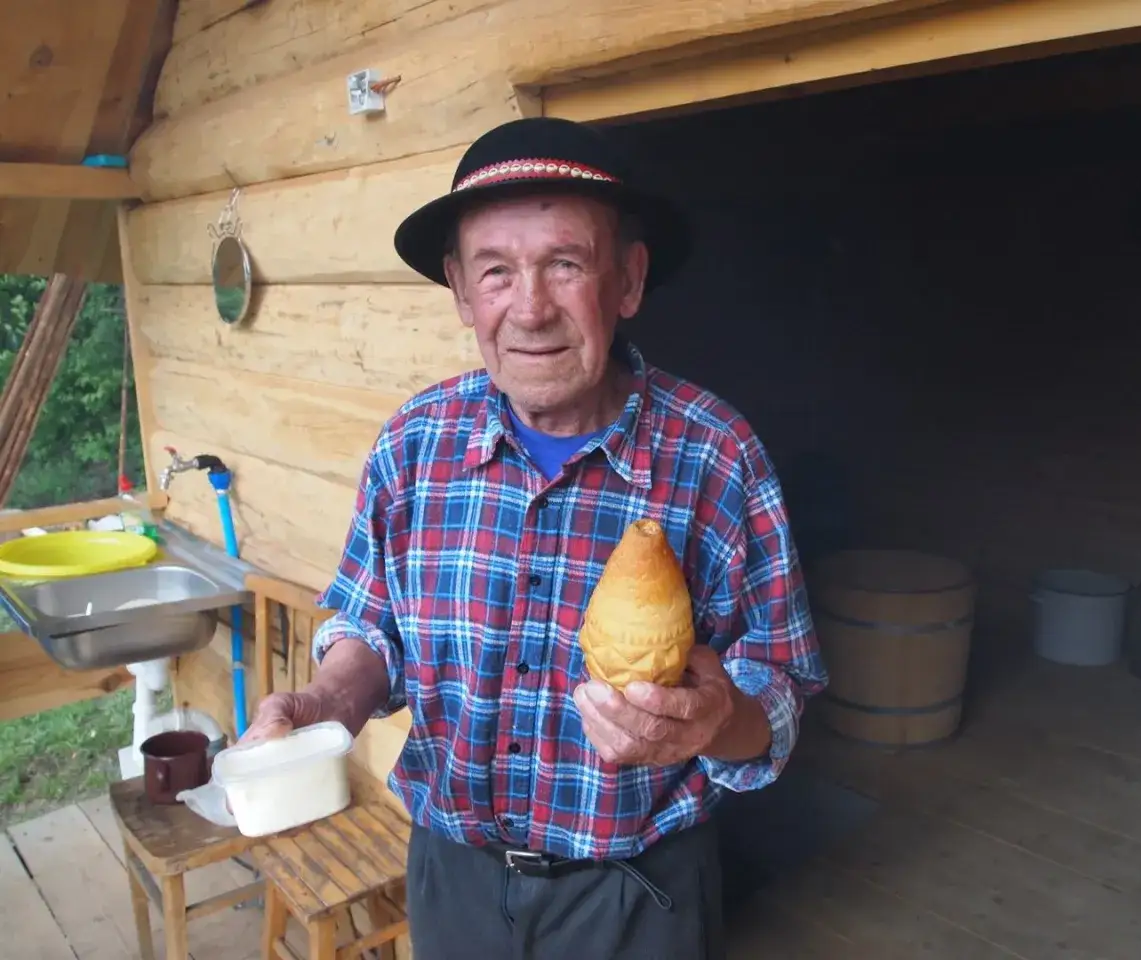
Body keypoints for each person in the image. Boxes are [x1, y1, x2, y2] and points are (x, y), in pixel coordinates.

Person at [240, 116, 828, 959]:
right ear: (459, 290)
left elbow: (782, 689)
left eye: (564, 263)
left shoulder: (716, 454)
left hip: (639, 895)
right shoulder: (414, 443)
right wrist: (328, 705)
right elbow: (373, 624)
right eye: (495, 271)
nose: (531, 307)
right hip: (453, 880)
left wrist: (713, 720)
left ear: (627, 280)